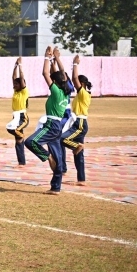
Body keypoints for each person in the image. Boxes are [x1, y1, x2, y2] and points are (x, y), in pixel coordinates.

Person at [25, 46, 72, 195]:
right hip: (58, 126)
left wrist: (46, 57)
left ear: (55, 82)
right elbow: (62, 74)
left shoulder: (57, 91)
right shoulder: (66, 92)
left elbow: (45, 73)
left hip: (51, 125)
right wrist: (55, 59)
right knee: (58, 156)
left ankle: (47, 156)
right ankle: (56, 188)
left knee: (30, 142)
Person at [60, 54, 92, 186]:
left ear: (82, 84)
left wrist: (75, 64)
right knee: (79, 154)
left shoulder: (84, 93)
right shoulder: (81, 95)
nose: (75, 84)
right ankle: (81, 179)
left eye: (78, 82)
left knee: (62, 139)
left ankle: (77, 146)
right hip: (78, 122)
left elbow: (74, 77)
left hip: (80, 124)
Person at [6, 57, 30, 166]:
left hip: (22, 117)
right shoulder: (16, 92)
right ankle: (21, 162)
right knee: (18, 141)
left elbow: (21, 77)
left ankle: (22, 136)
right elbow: (13, 77)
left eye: (17, 84)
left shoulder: (24, 92)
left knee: (14, 131)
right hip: (15, 117)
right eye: (14, 84)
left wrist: (20, 66)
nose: (14, 85)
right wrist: (15, 66)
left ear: (21, 84)